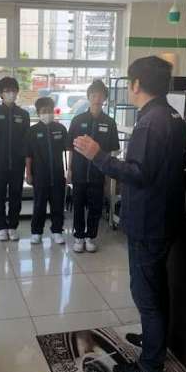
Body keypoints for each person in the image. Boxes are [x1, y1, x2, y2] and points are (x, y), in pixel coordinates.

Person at [74, 56, 186, 372]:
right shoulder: (172, 116)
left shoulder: (151, 122)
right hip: (164, 215)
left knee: (146, 294)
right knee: (157, 287)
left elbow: (138, 174)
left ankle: (150, 369)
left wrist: (98, 156)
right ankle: (155, 342)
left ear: (136, 84)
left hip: (149, 221)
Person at [67, 80, 120, 253]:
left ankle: (90, 237)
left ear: (105, 98)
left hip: (99, 173)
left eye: (100, 96)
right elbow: (71, 148)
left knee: (95, 206)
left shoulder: (109, 122)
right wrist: (69, 169)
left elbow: (112, 151)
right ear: (89, 97)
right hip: (79, 171)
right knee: (78, 205)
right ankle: (78, 236)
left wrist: (108, 176)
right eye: (94, 95)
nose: (97, 99)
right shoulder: (78, 120)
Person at [0, 77, 30, 241]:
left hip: (18, 163)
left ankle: (12, 226)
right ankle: (1, 227)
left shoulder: (23, 115)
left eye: (13, 90)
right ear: (1, 94)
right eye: (7, 91)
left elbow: (26, 139)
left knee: (16, 195)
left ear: (17, 92)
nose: (11, 93)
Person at [25, 97, 68, 245]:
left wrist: (70, 171)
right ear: (38, 113)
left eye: (50, 110)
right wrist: (28, 174)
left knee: (58, 204)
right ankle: (36, 232)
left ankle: (57, 231)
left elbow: (68, 149)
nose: (47, 113)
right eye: (44, 111)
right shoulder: (32, 131)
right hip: (40, 175)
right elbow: (28, 155)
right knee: (39, 205)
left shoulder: (60, 129)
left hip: (57, 174)